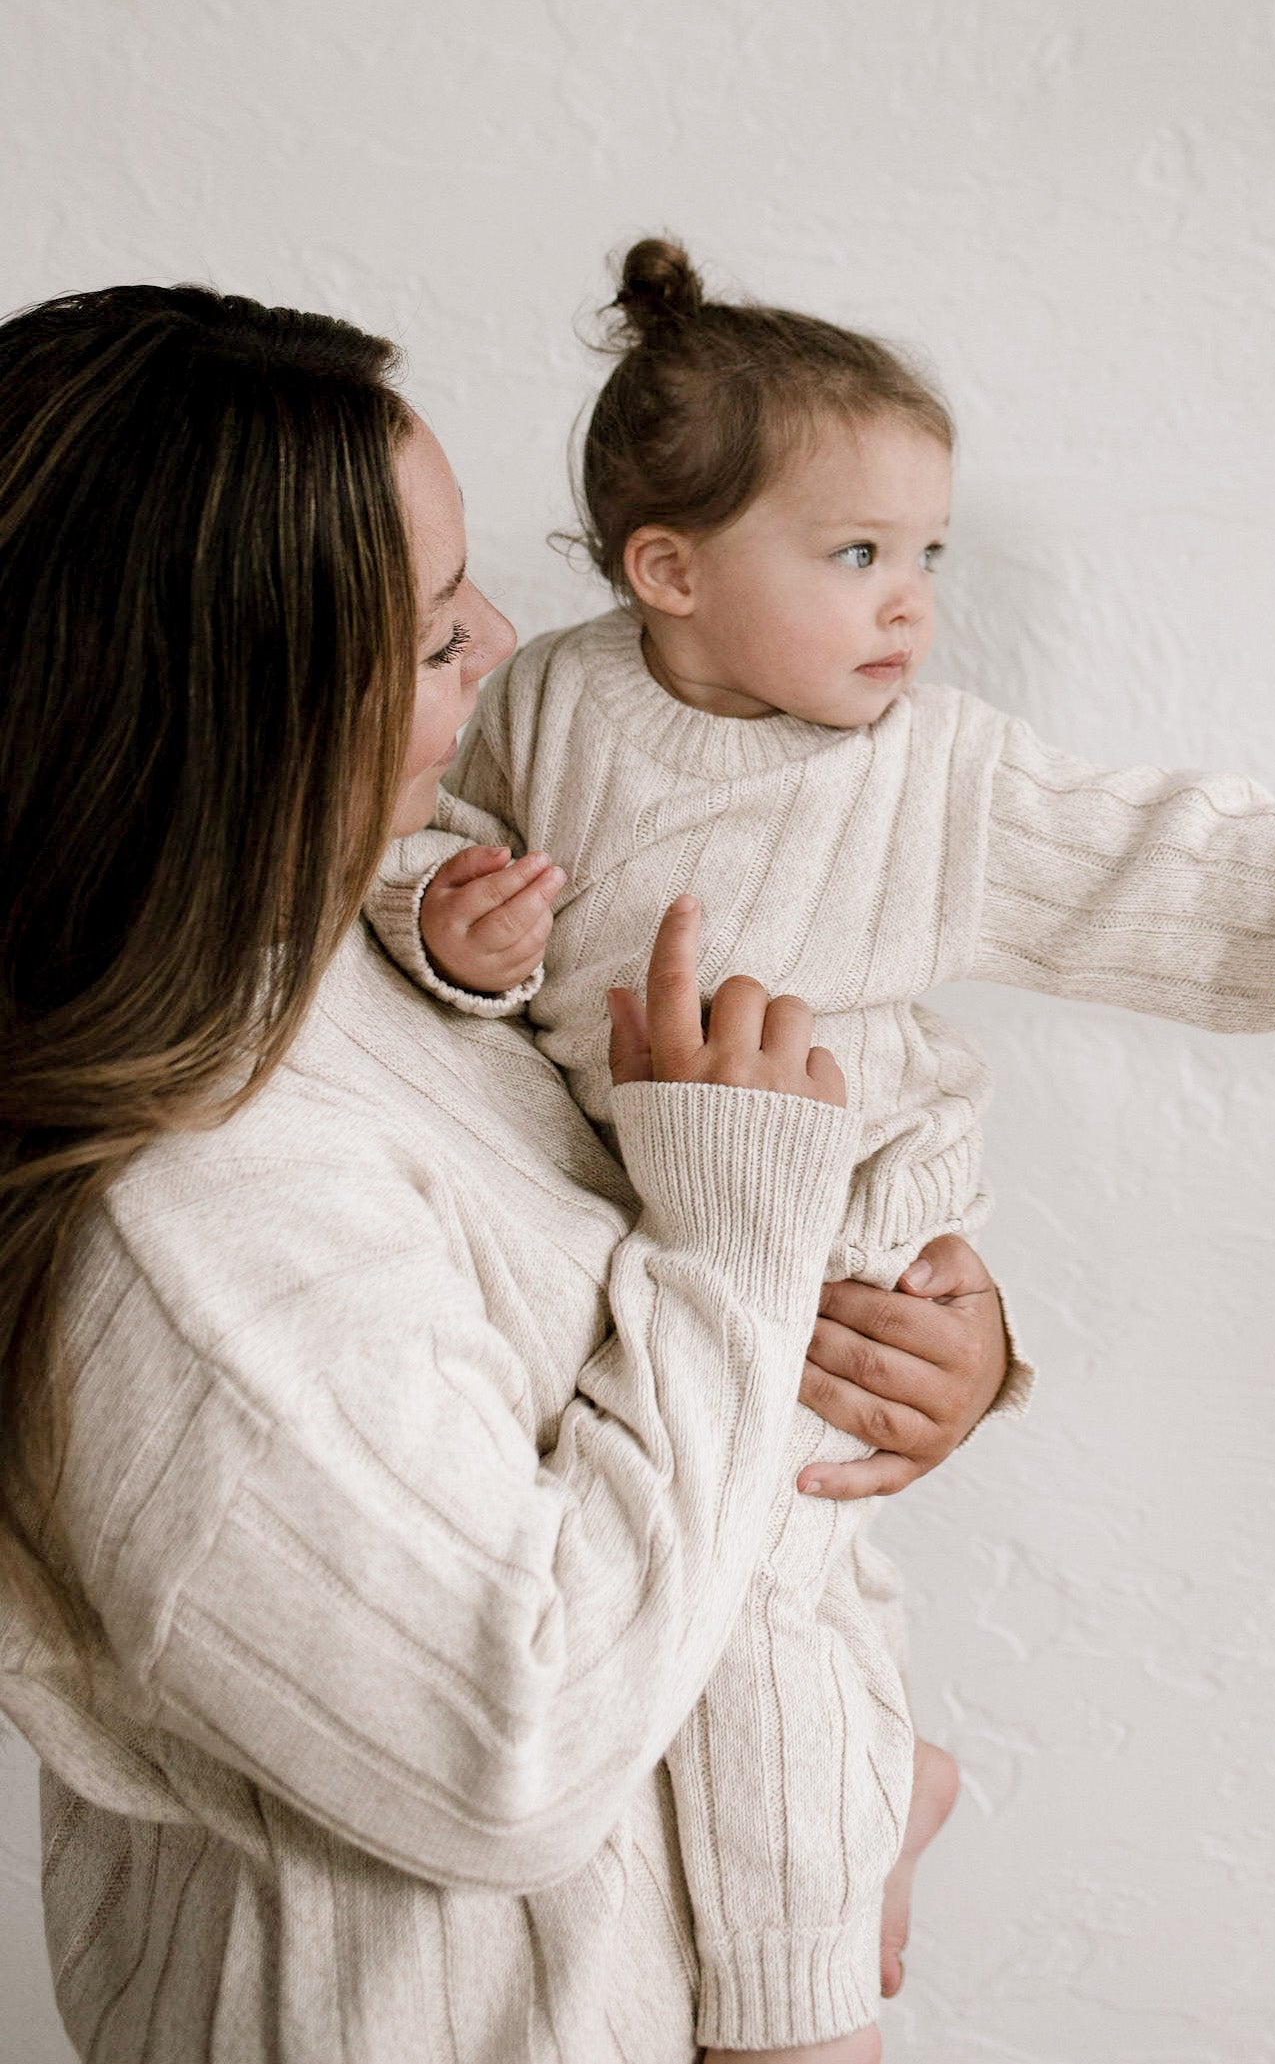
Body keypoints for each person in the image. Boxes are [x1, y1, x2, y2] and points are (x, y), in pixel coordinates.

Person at [367, 237, 1275, 2064]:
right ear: (668, 571)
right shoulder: (553, 707)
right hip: (640, 1218)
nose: (912, 603)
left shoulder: (935, 774)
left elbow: (1145, 855)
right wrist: (453, 924)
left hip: (851, 1208)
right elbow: (422, 838)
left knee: (751, 1614)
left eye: (928, 555)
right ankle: (879, 1774)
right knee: (686, 1606)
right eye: (856, 555)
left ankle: (798, 2019)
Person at [0, 283, 1015, 2064]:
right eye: (428, 624)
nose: (503, 640)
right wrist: (744, 1231)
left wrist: (930, 1333)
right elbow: (515, 1746)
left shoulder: (374, 956)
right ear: (224, 700)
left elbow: (615, 1315)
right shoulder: (184, 1223)